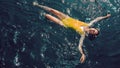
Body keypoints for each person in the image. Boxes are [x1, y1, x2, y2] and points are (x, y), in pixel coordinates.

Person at [33, 2, 111, 63]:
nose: (93, 30)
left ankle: (39, 18)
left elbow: (79, 45)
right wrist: (105, 17)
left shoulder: (83, 34)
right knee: (53, 11)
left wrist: (82, 54)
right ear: (93, 28)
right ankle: (38, 5)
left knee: (47, 16)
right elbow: (97, 19)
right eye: (94, 30)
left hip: (63, 24)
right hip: (68, 18)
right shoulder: (88, 24)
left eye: (94, 32)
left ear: (91, 34)